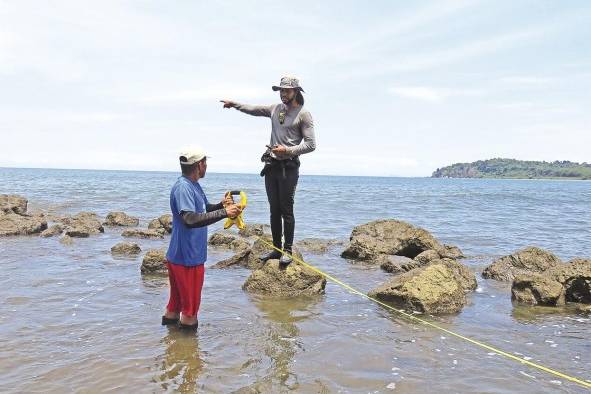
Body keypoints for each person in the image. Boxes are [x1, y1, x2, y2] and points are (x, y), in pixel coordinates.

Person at [221, 76, 316, 265]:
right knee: (274, 210)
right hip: (271, 166)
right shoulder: (275, 109)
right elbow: (254, 109)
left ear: (296, 91)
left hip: (289, 168)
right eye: (280, 90)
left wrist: (287, 150)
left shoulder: (304, 114)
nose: (282, 94)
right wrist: (235, 105)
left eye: (286, 91)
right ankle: (276, 249)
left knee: (286, 210)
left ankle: (287, 250)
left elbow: (311, 144)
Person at [162, 147, 242, 329]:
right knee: (190, 313)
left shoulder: (193, 185)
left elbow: (204, 210)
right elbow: (190, 219)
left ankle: (170, 347)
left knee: (174, 306)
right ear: (200, 165)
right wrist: (225, 212)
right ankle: (189, 355)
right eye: (205, 163)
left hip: (181, 256)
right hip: (187, 258)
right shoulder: (183, 187)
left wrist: (221, 205)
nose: (206, 166)